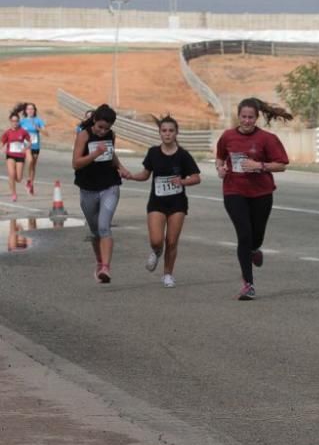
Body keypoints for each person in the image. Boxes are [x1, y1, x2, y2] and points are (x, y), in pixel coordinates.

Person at [215, 98, 291, 300]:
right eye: (243, 117)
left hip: (261, 193)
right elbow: (220, 157)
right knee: (244, 235)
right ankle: (248, 284)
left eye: (250, 117)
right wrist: (220, 169)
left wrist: (259, 166)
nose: (246, 121)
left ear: (256, 118)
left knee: (256, 237)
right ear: (238, 116)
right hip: (234, 191)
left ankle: (256, 249)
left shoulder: (267, 139)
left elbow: (282, 164)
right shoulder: (228, 136)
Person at [122, 116, 201, 288]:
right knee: (157, 240)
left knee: (172, 241)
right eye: (164, 131)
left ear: (176, 133)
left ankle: (167, 275)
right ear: (159, 133)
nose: (167, 134)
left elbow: (196, 178)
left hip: (177, 204)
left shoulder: (183, 155)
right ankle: (156, 251)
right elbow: (145, 174)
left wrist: (183, 182)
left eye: (171, 131)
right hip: (156, 203)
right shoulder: (153, 153)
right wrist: (131, 176)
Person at [72, 104, 130, 283]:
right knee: (95, 230)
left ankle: (106, 268)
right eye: (100, 127)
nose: (102, 131)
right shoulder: (84, 135)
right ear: (94, 121)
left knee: (104, 226)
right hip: (88, 188)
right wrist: (95, 154)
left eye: (107, 128)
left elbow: (111, 155)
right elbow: (76, 163)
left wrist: (121, 167)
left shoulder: (111, 136)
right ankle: (99, 262)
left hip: (109, 185)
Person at [3, 111, 32, 201]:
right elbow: (2, 141)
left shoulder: (23, 132)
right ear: (10, 121)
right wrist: (1, 148)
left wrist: (26, 147)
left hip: (20, 156)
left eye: (16, 121)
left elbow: (30, 141)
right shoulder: (7, 132)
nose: (15, 123)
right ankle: (14, 194)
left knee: (18, 178)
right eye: (13, 121)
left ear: (18, 121)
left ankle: (18, 182)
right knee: (11, 174)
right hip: (10, 155)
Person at [18, 102, 46, 192]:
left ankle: (31, 183)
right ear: (25, 111)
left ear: (35, 110)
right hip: (26, 146)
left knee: (33, 165)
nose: (30, 111)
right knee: (29, 160)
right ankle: (28, 179)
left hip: (35, 145)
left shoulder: (38, 120)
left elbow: (46, 133)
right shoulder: (22, 121)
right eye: (28, 109)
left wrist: (38, 129)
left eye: (32, 109)